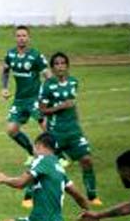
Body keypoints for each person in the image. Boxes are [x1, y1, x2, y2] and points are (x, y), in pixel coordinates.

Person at [37, 52, 101, 206]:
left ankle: (92, 196)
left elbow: (73, 105)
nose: (60, 66)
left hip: (74, 131)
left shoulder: (73, 82)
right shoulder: (47, 86)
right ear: (52, 68)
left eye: (62, 63)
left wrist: (77, 121)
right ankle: (31, 196)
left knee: (86, 160)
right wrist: (60, 107)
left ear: (67, 66)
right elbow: (42, 110)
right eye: (57, 64)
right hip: (56, 132)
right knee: (46, 165)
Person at [0, 25, 50, 208]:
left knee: (45, 128)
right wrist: (5, 88)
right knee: (11, 130)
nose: (21, 38)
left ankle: (55, 156)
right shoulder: (11, 54)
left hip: (35, 98)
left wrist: (47, 91)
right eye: (18, 36)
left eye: (24, 36)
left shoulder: (36, 55)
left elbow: (47, 74)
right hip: (20, 100)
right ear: (15, 38)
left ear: (29, 38)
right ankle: (32, 151)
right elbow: (5, 70)